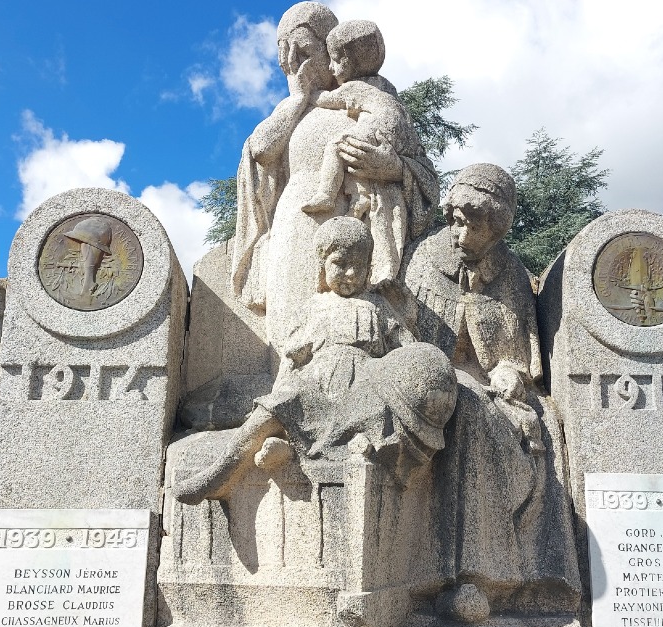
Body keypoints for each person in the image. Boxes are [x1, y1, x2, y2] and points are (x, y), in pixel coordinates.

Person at [403, 163, 580, 621]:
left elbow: (520, 351)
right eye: (455, 219)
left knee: (546, 428)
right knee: (470, 414)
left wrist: (511, 370)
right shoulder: (425, 259)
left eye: (470, 223)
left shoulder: (512, 273)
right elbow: (408, 337)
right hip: (436, 378)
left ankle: (539, 577)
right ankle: (467, 576)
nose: (458, 230)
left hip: (495, 387)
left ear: (494, 226)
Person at [174, 217, 456, 504]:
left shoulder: (378, 307)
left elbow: (407, 353)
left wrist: (407, 315)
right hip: (317, 383)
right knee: (272, 408)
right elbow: (291, 361)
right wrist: (280, 391)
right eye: (340, 263)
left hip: (365, 386)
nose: (349, 272)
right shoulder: (313, 308)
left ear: (368, 268)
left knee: (372, 416)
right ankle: (223, 471)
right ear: (322, 265)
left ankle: (289, 449)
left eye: (358, 266)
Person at [230, 2, 439, 348]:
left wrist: (394, 169)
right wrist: (300, 99)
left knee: (361, 327)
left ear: (331, 51)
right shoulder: (293, 108)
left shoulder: (376, 98)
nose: (296, 63)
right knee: (292, 334)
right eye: (287, 54)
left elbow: (426, 176)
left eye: (306, 50)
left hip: (361, 217)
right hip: (299, 220)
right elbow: (261, 150)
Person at [300, 20, 423, 288]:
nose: (331, 69)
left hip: (380, 173)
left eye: (334, 60)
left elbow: (325, 99)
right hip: (383, 145)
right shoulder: (386, 91)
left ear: (349, 61)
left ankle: (326, 194)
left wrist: (396, 170)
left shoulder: (359, 89)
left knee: (338, 145)